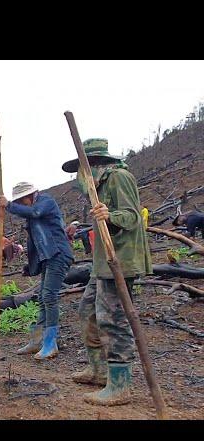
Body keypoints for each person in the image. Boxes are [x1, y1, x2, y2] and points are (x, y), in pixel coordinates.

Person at [62, 138, 152, 406]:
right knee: (88, 310)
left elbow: (132, 216)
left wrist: (109, 215)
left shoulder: (119, 177)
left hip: (120, 261)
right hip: (102, 263)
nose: (77, 176)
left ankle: (120, 384)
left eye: (80, 168)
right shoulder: (97, 187)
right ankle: (98, 370)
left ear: (92, 165)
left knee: (113, 320)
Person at [0, 182, 74, 360]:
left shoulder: (46, 202)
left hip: (59, 254)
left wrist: (8, 205)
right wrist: (31, 266)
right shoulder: (32, 217)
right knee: (42, 297)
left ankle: (50, 343)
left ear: (30, 196)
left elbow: (35, 212)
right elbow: (36, 244)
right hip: (48, 257)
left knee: (49, 295)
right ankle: (37, 341)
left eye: (22, 200)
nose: (22, 204)